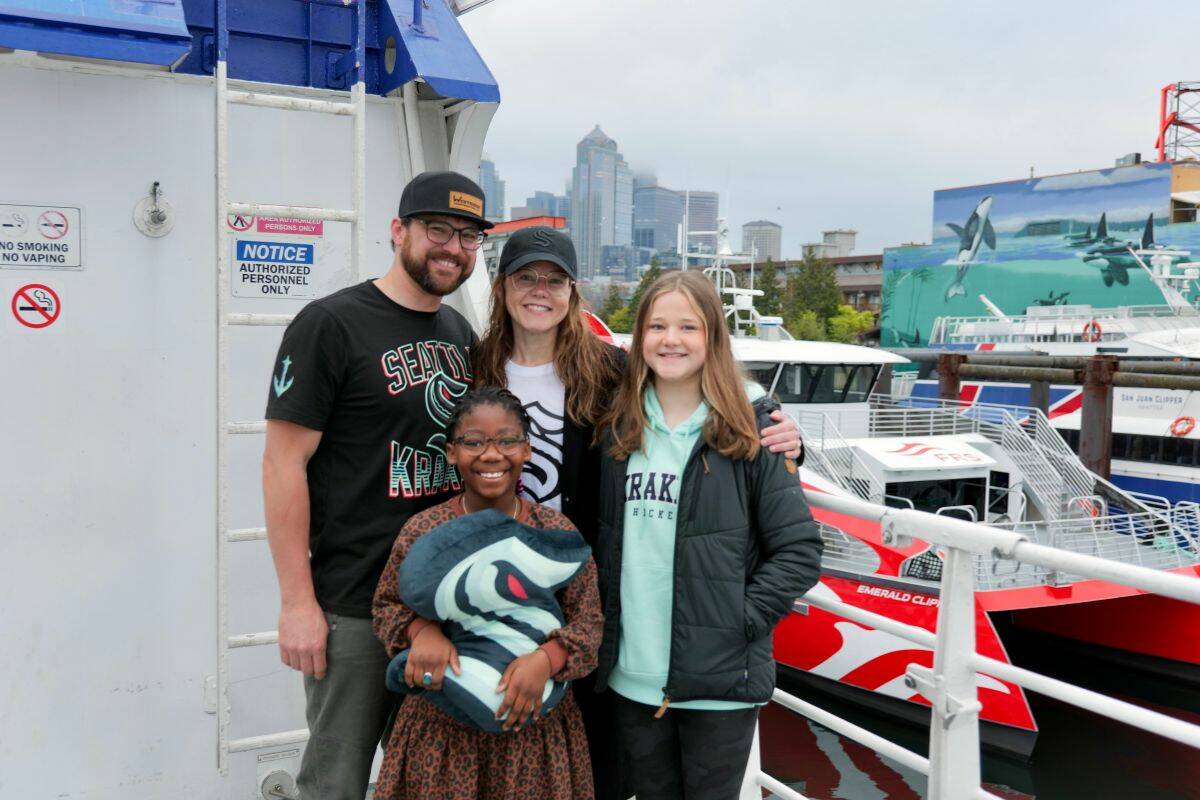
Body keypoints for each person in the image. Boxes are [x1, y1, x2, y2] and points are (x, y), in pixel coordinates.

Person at [471, 226, 804, 799]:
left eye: (555, 280)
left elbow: (718, 408)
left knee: (593, 770)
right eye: (525, 277)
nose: (539, 290)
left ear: (573, 293)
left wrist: (785, 435)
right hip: (510, 600)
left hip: (588, 611)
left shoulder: (607, 373)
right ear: (501, 287)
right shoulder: (474, 367)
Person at [261, 171, 492, 800]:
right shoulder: (329, 324)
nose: (453, 248)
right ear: (398, 231)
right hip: (354, 607)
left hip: (440, 606)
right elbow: (282, 464)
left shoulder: (460, 335)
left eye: (469, 236)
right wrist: (297, 603)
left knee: (431, 781)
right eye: (438, 229)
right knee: (335, 782)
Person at [592, 270, 824, 800]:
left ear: (712, 336)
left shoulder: (752, 427)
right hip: (633, 676)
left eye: (688, 327)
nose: (670, 340)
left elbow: (799, 550)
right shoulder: (618, 427)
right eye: (657, 326)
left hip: (721, 681)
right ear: (639, 337)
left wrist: (736, 622)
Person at [372, 387, 602, 800]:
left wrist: (546, 660)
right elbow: (387, 605)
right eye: (474, 442)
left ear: (527, 450)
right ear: (451, 452)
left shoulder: (554, 535)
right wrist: (422, 633)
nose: (492, 455)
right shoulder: (425, 531)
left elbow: (589, 623)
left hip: (533, 733)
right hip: (442, 735)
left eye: (507, 440)